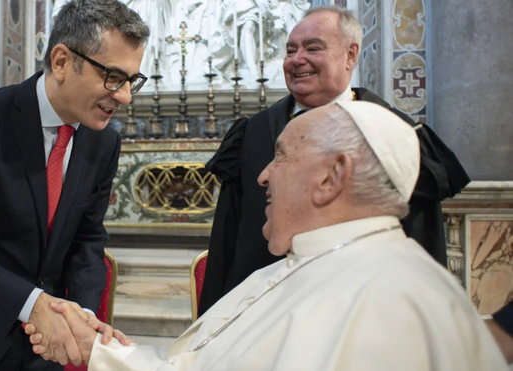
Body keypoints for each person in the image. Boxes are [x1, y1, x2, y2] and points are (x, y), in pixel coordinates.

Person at [26, 101, 507, 371]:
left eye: (281, 157)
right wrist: (108, 350)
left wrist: (96, 353)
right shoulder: (329, 262)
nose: (262, 176)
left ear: (330, 177)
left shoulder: (382, 299)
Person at [0, 1, 148, 370]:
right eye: (113, 77)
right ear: (62, 61)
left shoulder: (103, 141)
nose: (125, 96)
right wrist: (32, 303)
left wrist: (78, 316)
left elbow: (87, 240)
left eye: (132, 81)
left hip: (44, 349)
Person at [197, 5, 470, 316]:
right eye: (290, 50)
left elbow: (421, 241)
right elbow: (227, 241)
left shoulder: (394, 135)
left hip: (361, 316)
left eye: (313, 48)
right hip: (257, 315)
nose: (297, 59)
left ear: (351, 55)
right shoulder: (253, 133)